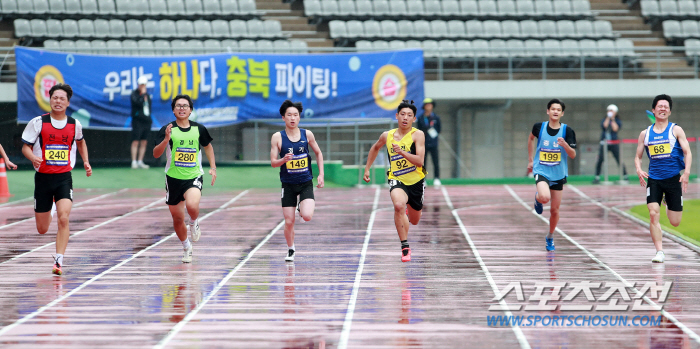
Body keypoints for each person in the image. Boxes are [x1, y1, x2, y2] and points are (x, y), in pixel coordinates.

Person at [20, 83, 92, 275]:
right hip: (43, 179)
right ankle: (50, 207)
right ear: (49, 100)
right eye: (54, 98)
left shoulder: (74, 124)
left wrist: (86, 161)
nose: (58, 101)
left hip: (63, 178)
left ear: (68, 102)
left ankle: (58, 261)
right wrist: (33, 157)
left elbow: (81, 141)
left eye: (62, 98)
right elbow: (25, 147)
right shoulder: (38, 123)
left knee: (64, 218)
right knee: (42, 229)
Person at [153, 94, 216, 263]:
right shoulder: (167, 129)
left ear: (190, 110)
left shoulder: (199, 129)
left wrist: (213, 168)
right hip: (173, 178)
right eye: (178, 106)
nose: (182, 108)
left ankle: (194, 222)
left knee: (192, 204)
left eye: (185, 106)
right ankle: (186, 246)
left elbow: (208, 147)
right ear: (173, 110)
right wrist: (166, 139)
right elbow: (156, 153)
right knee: (177, 218)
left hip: (193, 175)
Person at [363, 100, 426, 262]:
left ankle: (406, 210)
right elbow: (375, 147)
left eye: (409, 115)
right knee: (398, 205)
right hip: (397, 179)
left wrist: (403, 152)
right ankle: (405, 247)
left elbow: (419, 161)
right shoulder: (387, 136)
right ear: (397, 116)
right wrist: (367, 168)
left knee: (414, 220)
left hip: (416, 181)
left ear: (414, 119)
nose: (405, 118)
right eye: (402, 114)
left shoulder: (417, 135)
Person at [633, 94, 692, 263]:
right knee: (653, 213)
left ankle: (667, 201)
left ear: (670, 111)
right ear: (654, 110)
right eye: (660, 106)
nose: (663, 109)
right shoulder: (645, 134)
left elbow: (688, 152)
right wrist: (639, 169)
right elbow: (638, 156)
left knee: (675, 222)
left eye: (666, 106)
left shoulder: (676, 130)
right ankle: (659, 251)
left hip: (673, 179)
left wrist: (686, 173)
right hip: (654, 179)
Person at [270, 100, 324, 262]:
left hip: (305, 182)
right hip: (288, 185)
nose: (292, 118)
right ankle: (291, 248)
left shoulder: (307, 135)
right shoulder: (277, 137)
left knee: (306, 216)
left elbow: (318, 153)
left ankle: (302, 207)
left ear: (299, 117)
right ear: (283, 118)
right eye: (289, 115)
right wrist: (283, 160)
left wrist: (321, 174)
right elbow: (273, 162)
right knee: (289, 221)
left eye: (296, 115)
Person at [527, 99, 577, 252]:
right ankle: (538, 198)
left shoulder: (567, 131)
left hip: (558, 174)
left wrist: (565, 145)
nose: (555, 111)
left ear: (562, 113)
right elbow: (530, 139)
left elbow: (573, 155)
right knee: (545, 197)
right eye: (553, 109)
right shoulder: (538, 127)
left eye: (558, 109)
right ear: (548, 111)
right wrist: (530, 160)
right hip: (541, 170)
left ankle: (550, 236)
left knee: (554, 210)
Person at [593, 104, 628, 184]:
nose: (610, 112)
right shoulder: (604, 119)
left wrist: (612, 119)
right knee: (600, 159)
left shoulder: (617, 120)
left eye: (612, 111)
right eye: (609, 111)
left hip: (613, 142)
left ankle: (625, 176)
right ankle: (597, 177)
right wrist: (608, 118)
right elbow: (604, 126)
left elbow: (615, 129)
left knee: (618, 159)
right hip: (604, 143)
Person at [416, 98, 441, 187]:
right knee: (423, 162)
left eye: (430, 105)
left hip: (434, 143)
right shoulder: (421, 118)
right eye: (427, 105)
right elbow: (418, 131)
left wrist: (433, 131)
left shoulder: (436, 118)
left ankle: (437, 178)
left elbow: (439, 129)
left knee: (436, 161)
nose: (428, 106)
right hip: (424, 144)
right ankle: (423, 179)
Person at [131, 76, 152, 169]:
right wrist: (143, 95)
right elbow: (138, 103)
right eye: (141, 84)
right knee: (136, 141)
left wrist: (145, 95)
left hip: (146, 121)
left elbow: (148, 108)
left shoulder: (147, 95)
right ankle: (134, 161)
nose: (142, 86)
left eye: (144, 84)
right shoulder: (134, 94)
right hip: (137, 121)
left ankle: (140, 161)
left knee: (144, 142)